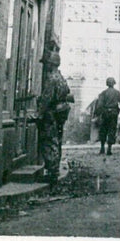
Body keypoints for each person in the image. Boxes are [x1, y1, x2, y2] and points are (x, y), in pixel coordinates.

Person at [36, 50, 74, 192]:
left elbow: (46, 99)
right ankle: (54, 171)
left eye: (46, 64)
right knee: (56, 141)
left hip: (51, 115)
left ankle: (52, 173)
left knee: (49, 141)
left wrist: (39, 113)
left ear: (50, 64)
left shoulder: (51, 79)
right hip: (60, 114)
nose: (45, 66)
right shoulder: (61, 78)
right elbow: (67, 93)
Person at [95, 76, 120, 155]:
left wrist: (98, 114)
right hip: (113, 113)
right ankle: (109, 149)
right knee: (111, 130)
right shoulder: (117, 93)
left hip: (105, 113)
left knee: (103, 130)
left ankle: (102, 148)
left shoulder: (103, 93)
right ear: (114, 83)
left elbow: (99, 105)